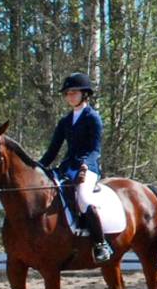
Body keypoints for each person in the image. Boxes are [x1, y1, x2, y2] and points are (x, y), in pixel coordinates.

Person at [39, 72, 113, 263]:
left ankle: (100, 244)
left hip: (88, 167)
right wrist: (37, 167)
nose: (70, 96)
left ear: (84, 94)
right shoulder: (64, 121)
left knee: (84, 198)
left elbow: (95, 149)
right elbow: (52, 151)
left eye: (74, 92)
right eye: (67, 93)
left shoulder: (93, 118)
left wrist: (85, 166)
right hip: (67, 166)